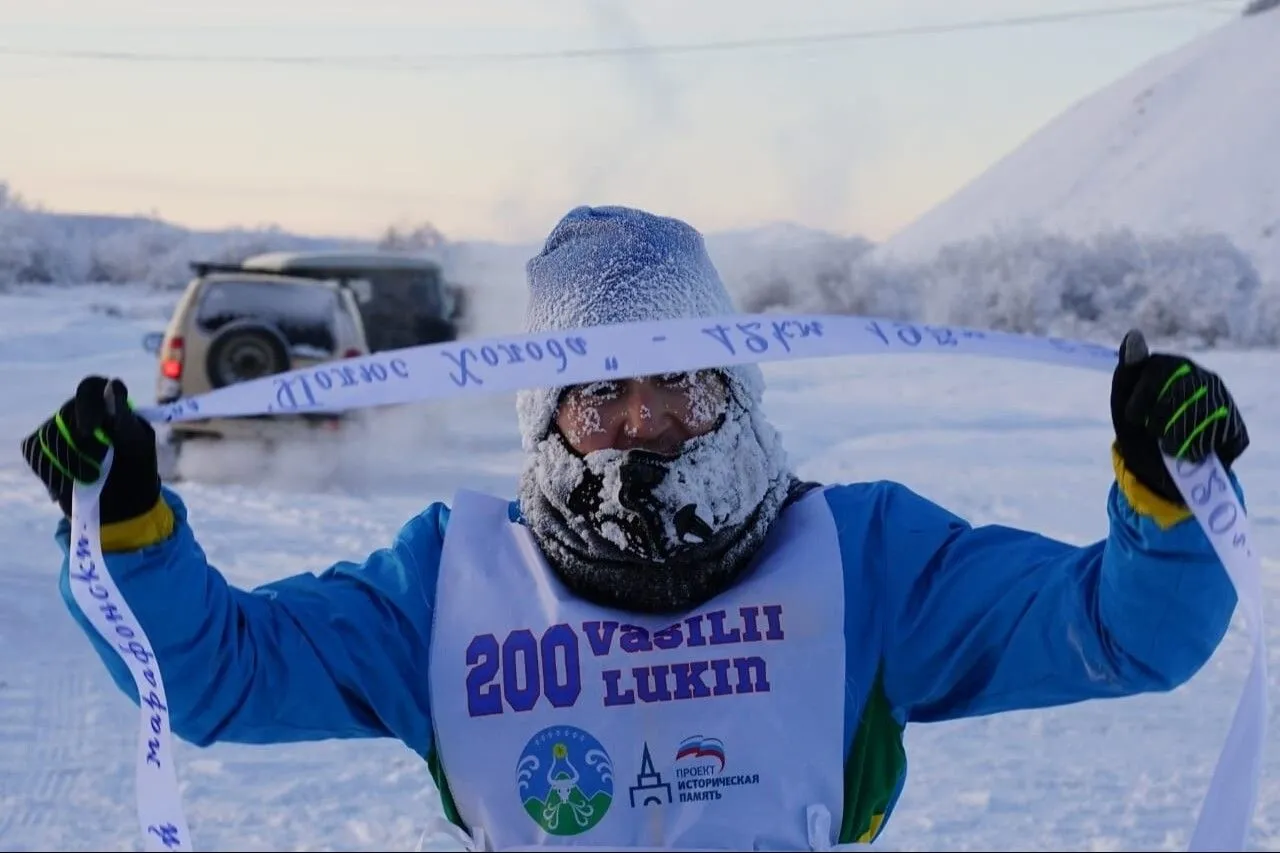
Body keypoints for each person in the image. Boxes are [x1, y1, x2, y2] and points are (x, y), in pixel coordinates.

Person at [22, 205, 1250, 852]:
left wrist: (1163, 495)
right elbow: (219, 678)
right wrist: (127, 527)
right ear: (547, 410)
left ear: (737, 384)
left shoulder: (867, 563)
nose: (643, 418)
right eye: (600, 388)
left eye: (680, 378)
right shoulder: (448, 585)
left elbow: (1120, 632)